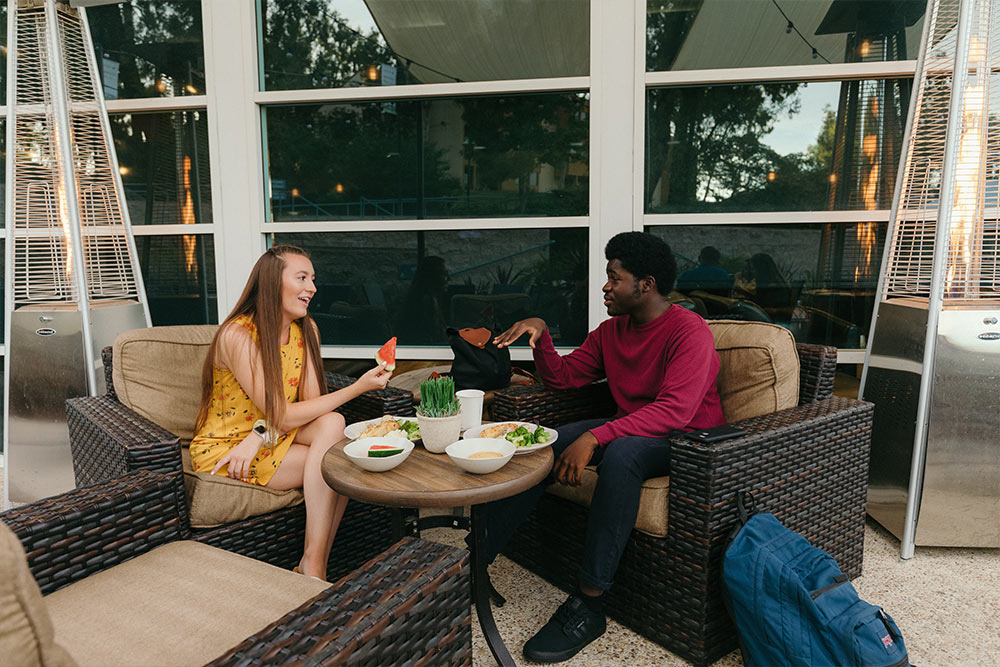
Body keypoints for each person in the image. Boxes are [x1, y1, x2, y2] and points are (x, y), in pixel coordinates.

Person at [487, 231, 725, 663]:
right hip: (632, 426)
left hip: (691, 441)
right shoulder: (611, 332)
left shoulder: (689, 332)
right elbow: (563, 378)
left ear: (645, 284)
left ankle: (589, 605)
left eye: (614, 278)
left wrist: (595, 436)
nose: (605, 287)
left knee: (622, 454)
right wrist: (541, 338)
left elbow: (674, 411)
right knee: (547, 442)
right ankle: (479, 559)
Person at [189, 245, 392, 580]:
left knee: (334, 422)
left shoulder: (305, 329)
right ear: (272, 282)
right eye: (302, 277)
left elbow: (312, 408)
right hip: (226, 450)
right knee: (339, 462)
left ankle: (312, 563)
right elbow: (282, 415)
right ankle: (315, 566)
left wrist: (259, 435)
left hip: (266, 437)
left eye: (312, 279)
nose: (312, 287)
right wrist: (358, 387)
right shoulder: (237, 335)